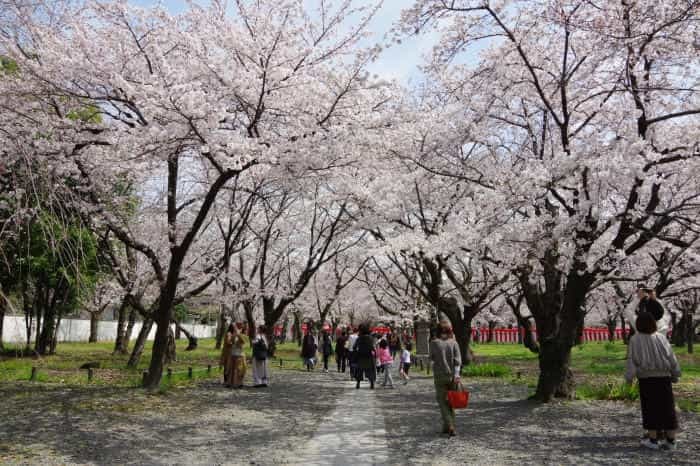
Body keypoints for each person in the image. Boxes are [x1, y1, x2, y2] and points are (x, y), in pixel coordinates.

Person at [625, 312, 681, 451]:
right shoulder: (661, 338)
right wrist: (675, 374)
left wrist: (629, 378)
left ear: (638, 325)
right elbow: (671, 357)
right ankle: (671, 441)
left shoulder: (635, 339)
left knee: (650, 408)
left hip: (646, 379)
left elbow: (632, 360)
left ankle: (653, 440)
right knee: (668, 408)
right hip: (664, 378)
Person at [429, 314, 462, 437]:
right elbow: (458, 360)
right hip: (453, 375)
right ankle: (446, 426)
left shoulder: (434, 343)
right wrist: (457, 375)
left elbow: (431, 359)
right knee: (451, 401)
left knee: (442, 401)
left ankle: (450, 425)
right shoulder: (454, 343)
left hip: (439, 375)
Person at [353, 323, 376, 389]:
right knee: (370, 370)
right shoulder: (370, 338)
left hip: (360, 356)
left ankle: (358, 383)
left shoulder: (359, 338)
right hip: (369, 356)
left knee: (359, 370)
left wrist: (356, 352)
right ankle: (372, 383)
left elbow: (354, 347)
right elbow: (373, 347)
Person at [228, 324, 247, 388]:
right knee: (233, 370)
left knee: (240, 370)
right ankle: (232, 383)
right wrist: (234, 335)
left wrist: (238, 335)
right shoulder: (233, 335)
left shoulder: (243, 335)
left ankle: (239, 383)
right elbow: (230, 342)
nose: (236, 330)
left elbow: (243, 342)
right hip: (234, 354)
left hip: (240, 355)